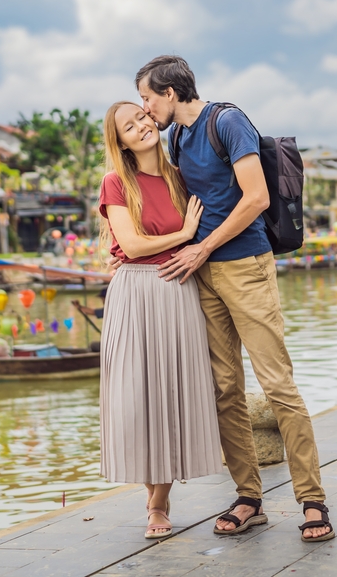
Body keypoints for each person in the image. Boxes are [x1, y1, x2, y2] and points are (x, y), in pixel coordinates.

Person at [135, 55, 335, 542]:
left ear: (171, 92)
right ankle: (249, 497)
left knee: (277, 384)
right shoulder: (177, 138)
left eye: (147, 98)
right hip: (203, 276)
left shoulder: (227, 121)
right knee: (225, 389)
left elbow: (256, 198)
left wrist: (203, 246)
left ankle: (313, 502)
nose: (145, 109)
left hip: (246, 267)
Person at [98, 100, 223, 541]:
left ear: (154, 118)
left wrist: (194, 244)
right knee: (137, 396)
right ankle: (151, 495)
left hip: (177, 291)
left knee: (171, 393)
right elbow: (130, 245)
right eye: (128, 127)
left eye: (141, 117)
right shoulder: (116, 182)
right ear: (122, 142)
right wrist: (184, 235)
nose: (140, 127)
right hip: (134, 292)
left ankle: (159, 503)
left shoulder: (180, 176)